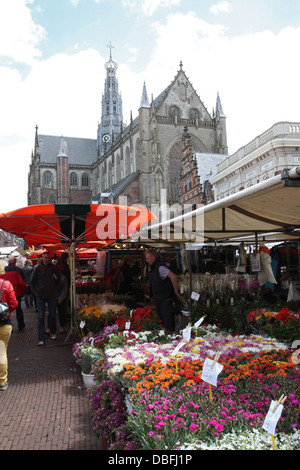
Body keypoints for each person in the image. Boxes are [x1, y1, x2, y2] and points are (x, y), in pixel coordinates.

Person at [145, 248, 181, 332]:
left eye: (147, 258)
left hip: (165, 300)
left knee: (167, 323)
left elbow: (173, 276)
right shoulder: (154, 267)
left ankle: (171, 340)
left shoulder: (160, 267)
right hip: (159, 299)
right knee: (162, 323)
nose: (146, 261)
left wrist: (176, 292)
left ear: (153, 258)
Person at [30, 251, 61, 345]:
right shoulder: (38, 268)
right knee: (40, 316)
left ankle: (53, 331)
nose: (47, 259)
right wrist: (35, 292)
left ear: (50, 258)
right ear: (42, 259)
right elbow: (32, 281)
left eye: (48, 258)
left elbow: (59, 281)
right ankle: (41, 338)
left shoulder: (54, 268)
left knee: (52, 315)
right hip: (40, 296)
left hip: (51, 295)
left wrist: (56, 292)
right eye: (45, 258)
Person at [0, 261, 18, 391]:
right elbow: (13, 303)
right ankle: (2, 381)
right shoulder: (6, 284)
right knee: (1, 352)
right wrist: (7, 312)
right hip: (3, 323)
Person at [1, 256, 26, 330]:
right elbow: (21, 283)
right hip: (16, 293)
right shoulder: (18, 270)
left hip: (5, 293)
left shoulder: (3, 270)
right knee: (18, 309)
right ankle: (21, 325)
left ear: (8, 262)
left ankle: (7, 326)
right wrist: (22, 292)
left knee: (6, 310)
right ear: (15, 262)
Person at [56, 260, 68, 333]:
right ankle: (61, 327)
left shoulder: (63, 278)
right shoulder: (62, 277)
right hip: (56, 297)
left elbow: (64, 289)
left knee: (61, 313)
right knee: (60, 313)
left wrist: (61, 298)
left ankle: (62, 327)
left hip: (59, 297)